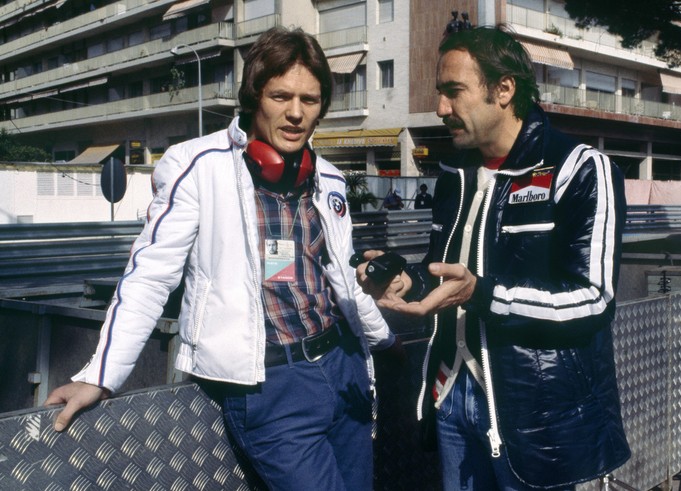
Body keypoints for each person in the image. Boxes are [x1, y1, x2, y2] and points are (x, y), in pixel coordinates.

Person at [45, 26, 399, 491]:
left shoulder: (328, 179)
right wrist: (102, 375)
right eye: (281, 96)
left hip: (343, 365)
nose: (296, 113)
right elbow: (150, 277)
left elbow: (339, 278)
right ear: (254, 97)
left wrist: (384, 338)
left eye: (309, 101)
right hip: (271, 385)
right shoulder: (196, 166)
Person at [358, 25, 631, 490]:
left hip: (535, 411)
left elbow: (594, 299)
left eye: (454, 92)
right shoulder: (455, 176)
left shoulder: (580, 168)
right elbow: (443, 270)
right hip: (450, 393)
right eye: (439, 93)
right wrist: (409, 283)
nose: (441, 108)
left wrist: (484, 294)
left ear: (503, 90)